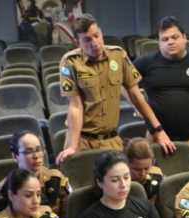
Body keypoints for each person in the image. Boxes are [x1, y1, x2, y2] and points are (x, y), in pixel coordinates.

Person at [56, 13, 170, 163]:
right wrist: (73, 146)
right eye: (87, 40)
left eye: (97, 35)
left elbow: (136, 96)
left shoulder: (118, 55)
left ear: (101, 31)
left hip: (110, 139)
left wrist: (158, 130)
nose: (95, 43)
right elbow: (75, 106)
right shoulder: (70, 62)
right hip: (82, 139)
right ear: (77, 43)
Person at [134, 15, 189, 167]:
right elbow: (122, 82)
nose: (170, 42)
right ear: (159, 42)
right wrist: (136, 104)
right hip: (156, 139)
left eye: (174, 37)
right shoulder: (146, 62)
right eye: (165, 39)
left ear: (184, 37)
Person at [0, 131, 72, 218]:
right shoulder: (6, 187)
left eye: (39, 149)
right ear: (15, 156)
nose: (36, 156)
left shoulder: (56, 178)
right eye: (28, 151)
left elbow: (67, 217)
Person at [124, 137, 164, 206]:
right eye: (137, 169)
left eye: (146, 168)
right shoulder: (116, 183)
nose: (143, 174)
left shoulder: (156, 177)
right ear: (125, 164)